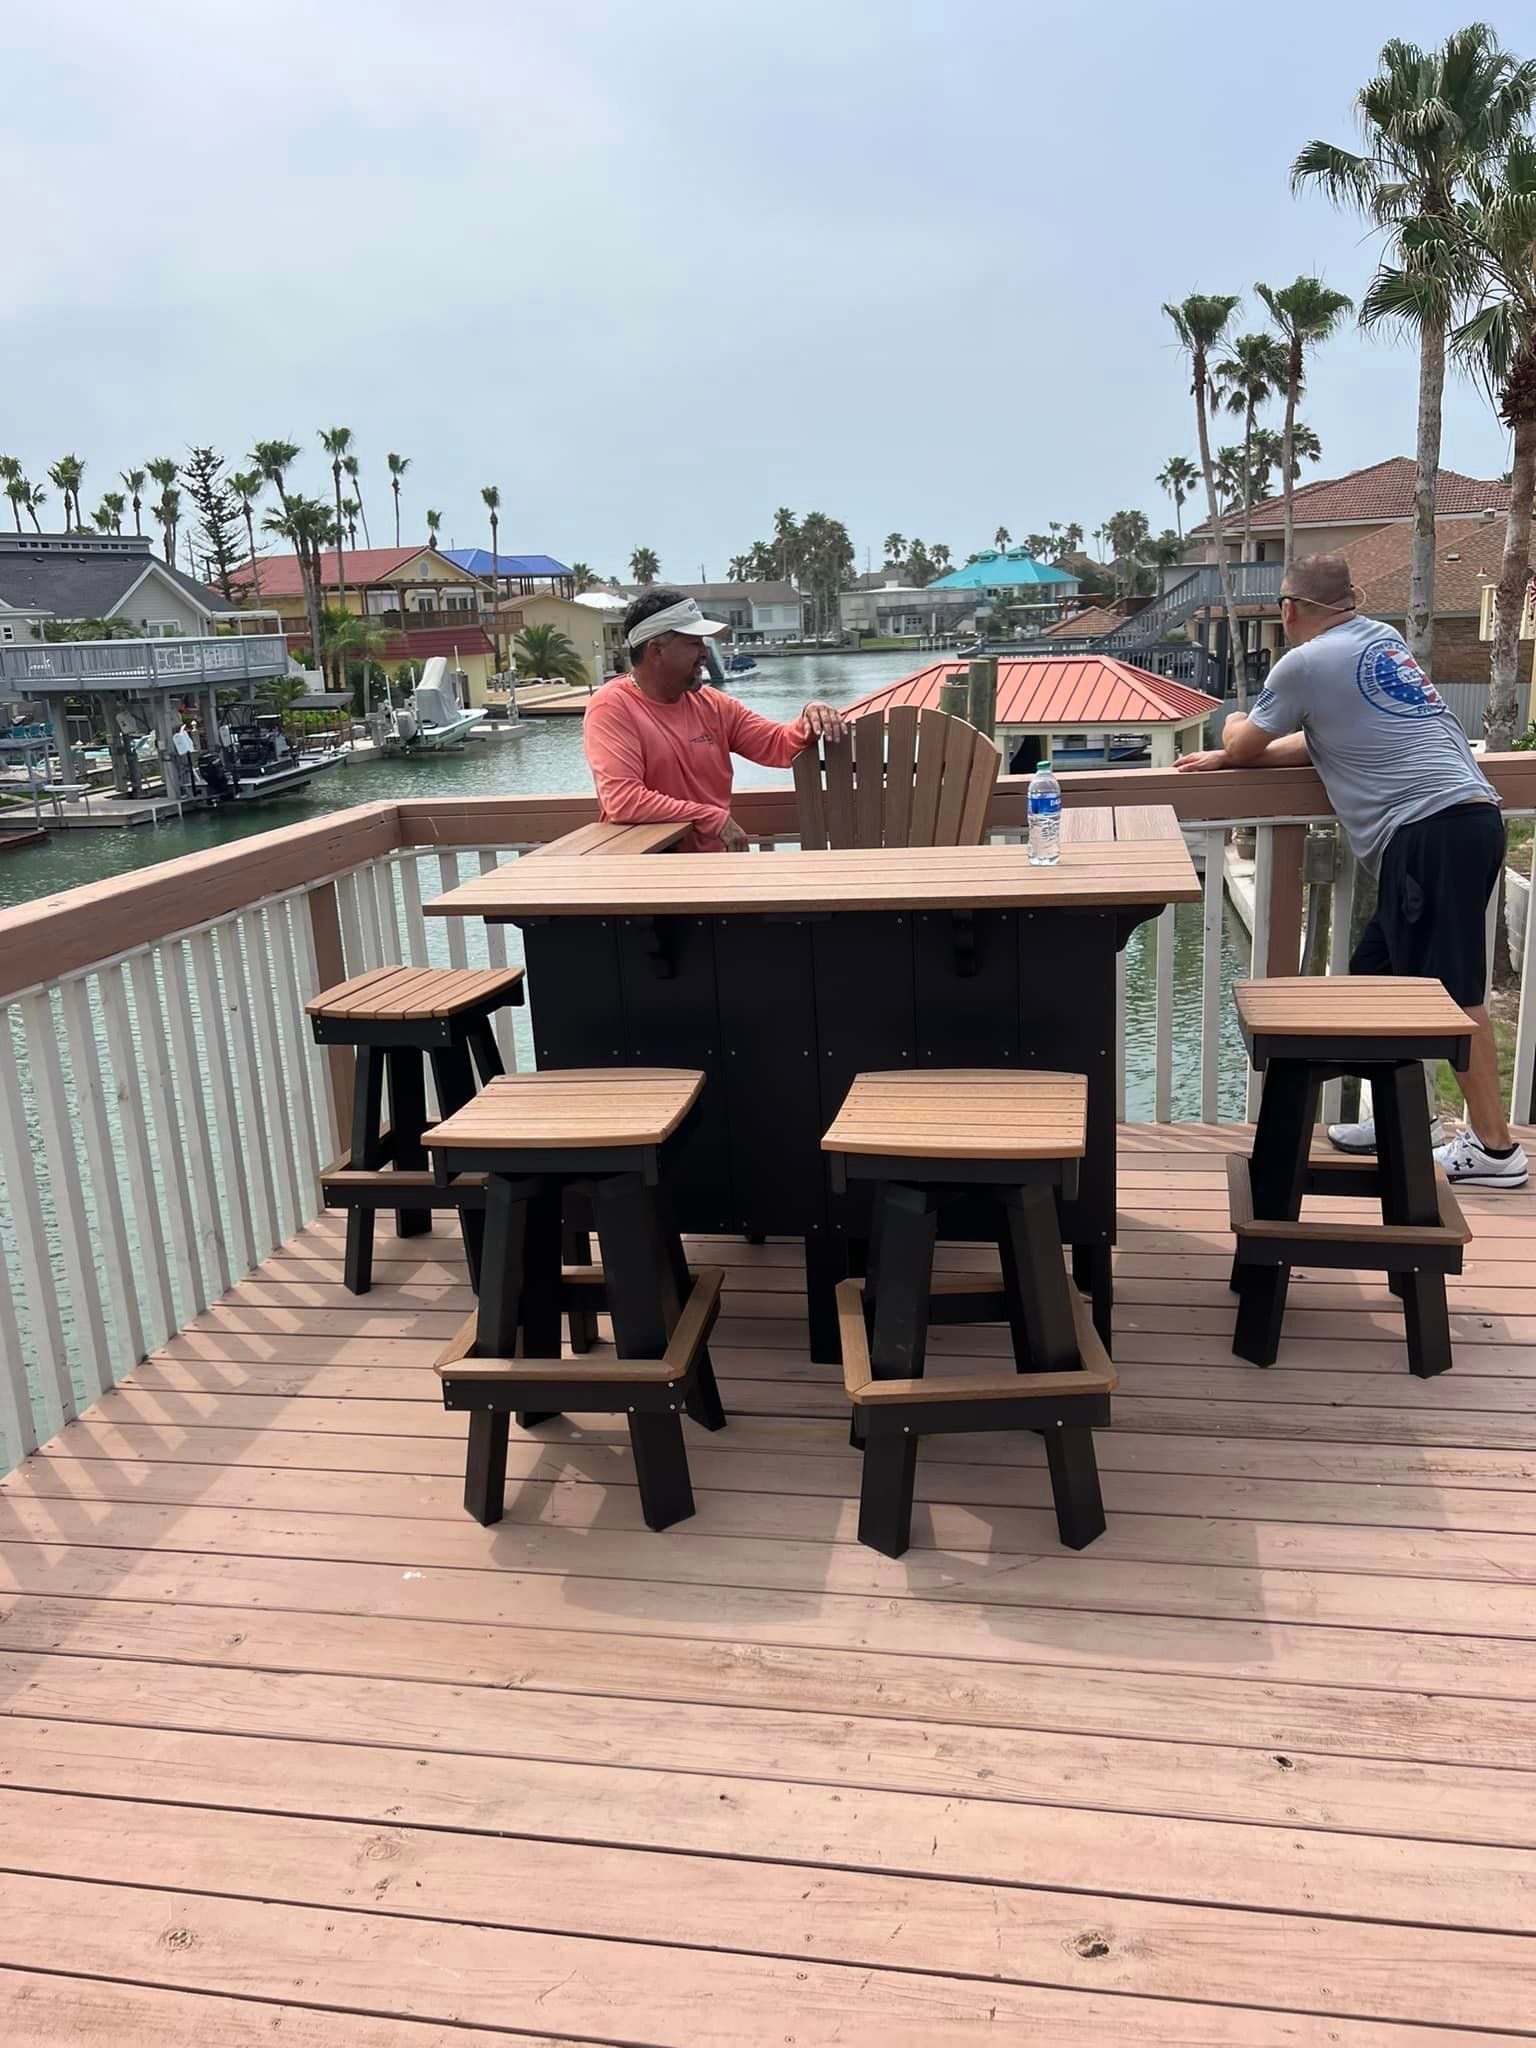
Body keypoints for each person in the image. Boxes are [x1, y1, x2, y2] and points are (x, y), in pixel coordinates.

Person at [1178, 550, 1525, 1189]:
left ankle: (1496, 1151)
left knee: (1457, 996)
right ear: (1352, 599)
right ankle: (1407, 1121)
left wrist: (1233, 735)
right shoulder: (1380, 640)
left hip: (1429, 833)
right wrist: (1241, 757)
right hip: (1467, 818)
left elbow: (1243, 742)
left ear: (1288, 609)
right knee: (1376, 981)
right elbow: (1319, 738)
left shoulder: (1304, 662)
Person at [584, 587, 847, 851]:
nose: (705, 653)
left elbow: (778, 745)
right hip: (648, 868)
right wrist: (710, 817)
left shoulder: (714, 705)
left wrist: (811, 716)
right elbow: (623, 801)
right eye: (694, 643)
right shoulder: (612, 706)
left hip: (716, 863)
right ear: (656, 651)